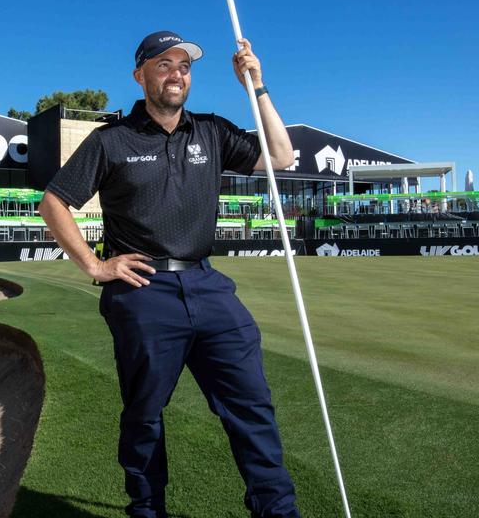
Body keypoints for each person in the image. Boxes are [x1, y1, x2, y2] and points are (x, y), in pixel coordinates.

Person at [38, 30, 300, 518]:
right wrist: (95, 265)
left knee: (252, 409)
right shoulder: (110, 141)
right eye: (164, 64)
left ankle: (277, 512)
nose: (177, 74)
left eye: (185, 66)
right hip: (143, 291)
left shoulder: (212, 131)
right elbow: (54, 202)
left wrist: (256, 87)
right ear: (141, 75)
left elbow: (282, 156)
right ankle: (147, 511)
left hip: (208, 284)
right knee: (144, 416)